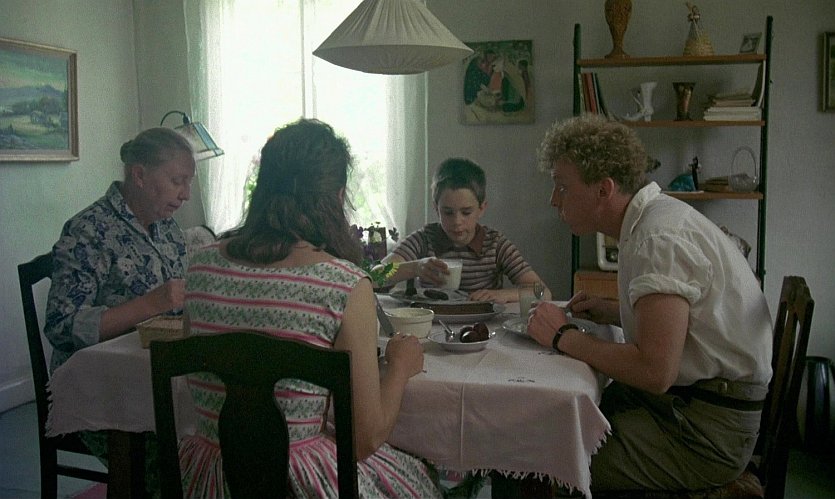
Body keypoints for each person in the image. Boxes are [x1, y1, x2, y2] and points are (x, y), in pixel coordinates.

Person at [181, 118, 442, 498]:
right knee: (422, 479)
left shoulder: (200, 266)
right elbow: (364, 440)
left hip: (210, 479)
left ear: (263, 186)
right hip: (297, 480)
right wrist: (400, 367)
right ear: (337, 197)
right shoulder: (344, 285)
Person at [528, 114, 773, 491]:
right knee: (554, 421)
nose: (552, 200)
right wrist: (613, 311)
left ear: (603, 189)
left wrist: (563, 337)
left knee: (539, 460)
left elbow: (655, 371)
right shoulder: (651, 221)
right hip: (695, 405)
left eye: (562, 186)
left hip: (704, 433)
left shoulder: (657, 238)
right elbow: (688, 328)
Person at [44, 126, 195, 494]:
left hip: (153, 372)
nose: (186, 194)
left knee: (213, 440)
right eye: (177, 181)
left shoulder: (168, 229)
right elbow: (62, 326)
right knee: (175, 467)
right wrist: (151, 304)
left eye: (188, 183)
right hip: (99, 388)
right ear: (139, 175)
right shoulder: (88, 231)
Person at [380, 157, 550, 303]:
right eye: (448, 212)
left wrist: (502, 295)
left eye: (466, 212)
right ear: (436, 209)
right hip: (433, 323)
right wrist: (416, 268)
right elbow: (375, 277)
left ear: (481, 209)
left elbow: (543, 293)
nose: (457, 222)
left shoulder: (495, 244)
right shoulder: (424, 240)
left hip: (482, 325)